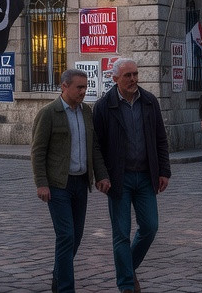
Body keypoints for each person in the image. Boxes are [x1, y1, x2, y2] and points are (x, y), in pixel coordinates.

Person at [94, 58, 170, 293]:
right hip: (119, 179)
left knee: (150, 227)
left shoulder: (149, 101)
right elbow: (96, 145)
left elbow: (160, 137)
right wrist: (101, 175)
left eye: (135, 74)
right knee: (121, 233)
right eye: (128, 75)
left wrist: (164, 171)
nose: (133, 79)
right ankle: (127, 285)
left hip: (146, 176)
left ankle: (128, 267)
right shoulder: (104, 106)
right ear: (115, 78)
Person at [30, 69, 110, 293]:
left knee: (76, 237)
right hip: (58, 185)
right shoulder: (49, 113)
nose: (83, 91)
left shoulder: (86, 111)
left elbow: (93, 147)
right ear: (64, 86)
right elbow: (38, 151)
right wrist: (41, 183)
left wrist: (101, 174)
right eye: (79, 87)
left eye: (85, 87)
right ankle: (66, 288)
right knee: (66, 235)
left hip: (80, 183)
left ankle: (58, 277)